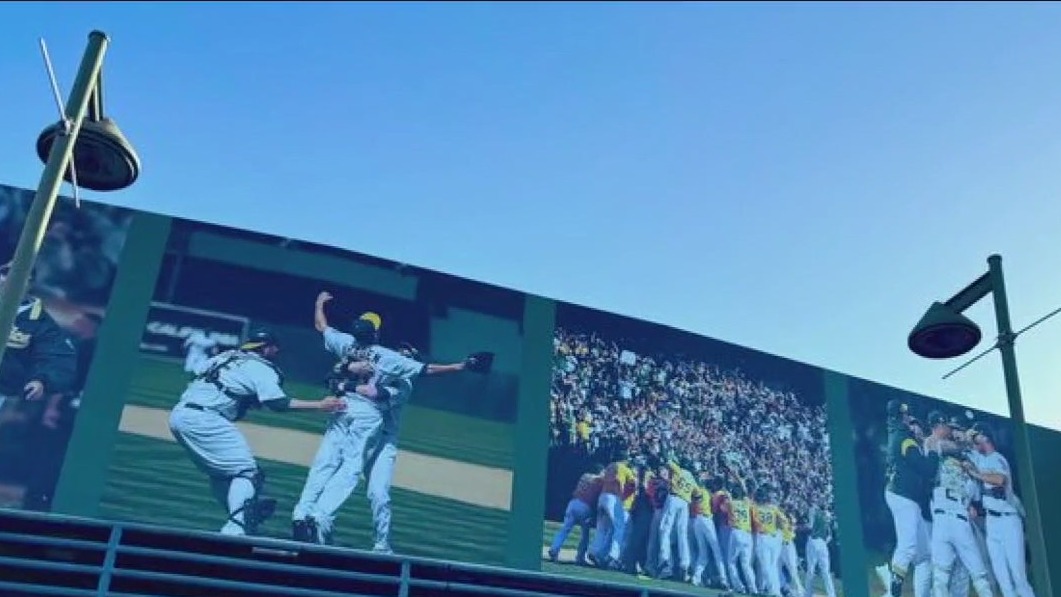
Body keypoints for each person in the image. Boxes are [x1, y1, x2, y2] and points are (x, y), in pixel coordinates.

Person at [292, 291, 477, 553]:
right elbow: (427, 370)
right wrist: (460, 366)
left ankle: (378, 544)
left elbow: (375, 389)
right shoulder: (388, 359)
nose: (402, 354)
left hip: (372, 430)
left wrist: (341, 379)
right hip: (366, 421)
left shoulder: (398, 379)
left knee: (371, 489)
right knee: (345, 469)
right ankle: (316, 519)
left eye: (406, 354)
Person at [169, 329, 343, 536]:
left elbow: (203, 376)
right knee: (248, 473)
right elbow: (278, 403)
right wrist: (320, 405)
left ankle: (243, 515)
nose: (277, 351)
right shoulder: (261, 367)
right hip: (206, 419)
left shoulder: (225, 356)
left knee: (222, 474)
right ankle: (236, 527)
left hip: (180, 414)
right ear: (266, 348)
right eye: (274, 347)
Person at [923, 412, 994, 597]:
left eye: (955, 429)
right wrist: (966, 441)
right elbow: (943, 446)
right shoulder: (934, 443)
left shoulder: (965, 459)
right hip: (945, 515)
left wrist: (968, 447)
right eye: (949, 428)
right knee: (942, 577)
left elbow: (976, 482)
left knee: (975, 576)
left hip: (959, 515)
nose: (952, 431)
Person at [965, 424, 1035, 597]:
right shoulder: (981, 459)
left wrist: (976, 474)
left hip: (1008, 520)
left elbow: (999, 479)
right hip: (992, 521)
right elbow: (966, 448)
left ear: (985, 438)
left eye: (977, 439)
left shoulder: (997, 458)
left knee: (1018, 578)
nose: (974, 443)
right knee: (1002, 579)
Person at [0, 261, 77, 415]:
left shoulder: (42, 324)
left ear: (29, 284)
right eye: (4, 272)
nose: (9, 279)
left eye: (19, 276)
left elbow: (58, 357)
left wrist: (41, 380)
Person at [883, 399, 940, 597]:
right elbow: (927, 469)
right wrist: (933, 452)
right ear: (902, 416)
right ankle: (893, 591)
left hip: (902, 495)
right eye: (907, 416)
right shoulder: (905, 440)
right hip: (903, 495)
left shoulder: (896, 435)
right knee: (907, 546)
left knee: (924, 555)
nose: (910, 420)